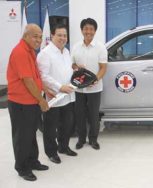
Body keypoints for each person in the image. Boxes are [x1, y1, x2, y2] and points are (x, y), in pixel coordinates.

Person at [7, 24, 50, 181]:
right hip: (21, 103)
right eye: (35, 36)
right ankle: (22, 168)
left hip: (31, 101)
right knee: (22, 136)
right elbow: (28, 81)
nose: (38, 40)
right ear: (25, 36)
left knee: (31, 134)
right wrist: (41, 100)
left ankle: (32, 161)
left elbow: (37, 77)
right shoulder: (20, 52)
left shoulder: (30, 51)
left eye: (40, 36)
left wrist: (46, 91)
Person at [37, 24, 77, 164]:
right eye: (59, 35)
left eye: (64, 35)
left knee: (67, 124)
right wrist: (60, 87)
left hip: (68, 96)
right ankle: (51, 152)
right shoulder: (45, 53)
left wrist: (76, 72)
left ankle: (63, 147)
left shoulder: (66, 51)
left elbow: (68, 70)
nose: (62, 38)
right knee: (50, 127)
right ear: (52, 35)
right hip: (53, 97)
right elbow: (43, 76)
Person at [72, 18, 107, 150]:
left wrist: (95, 79)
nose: (88, 31)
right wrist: (76, 66)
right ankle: (81, 139)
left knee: (93, 115)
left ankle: (93, 140)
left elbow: (103, 68)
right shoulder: (75, 47)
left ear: (95, 31)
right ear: (82, 30)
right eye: (86, 28)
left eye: (91, 29)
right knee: (79, 115)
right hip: (79, 88)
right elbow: (72, 64)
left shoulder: (100, 48)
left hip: (94, 88)